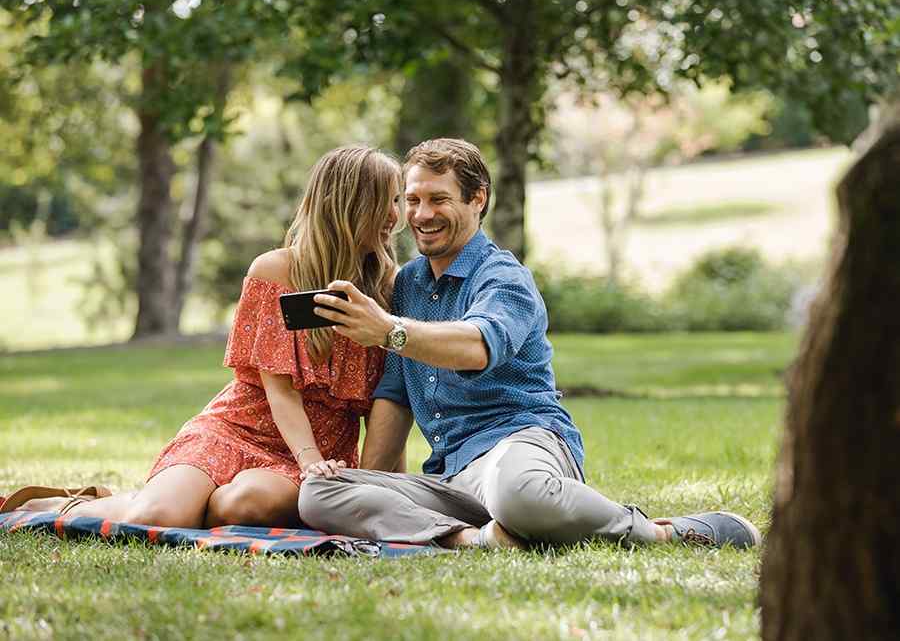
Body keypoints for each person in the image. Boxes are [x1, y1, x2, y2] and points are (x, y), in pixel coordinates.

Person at [299, 138, 761, 549]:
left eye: (439, 199)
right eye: (412, 200)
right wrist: (370, 483)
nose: (421, 215)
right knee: (318, 494)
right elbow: (395, 398)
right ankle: (472, 539)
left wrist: (389, 331)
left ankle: (664, 532)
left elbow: (476, 346)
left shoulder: (504, 278)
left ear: (477, 199)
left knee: (518, 494)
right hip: (450, 479)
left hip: (520, 446)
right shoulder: (409, 286)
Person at [1, 146, 403, 528]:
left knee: (244, 505)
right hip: (239, 429)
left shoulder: (391, 291)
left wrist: (381, 485)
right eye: (384, 201)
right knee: (157, 517)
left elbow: (391, 402)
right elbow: (280, 392)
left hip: (316, 457)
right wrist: (309, 458)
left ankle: (182, 501)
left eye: (398, 200)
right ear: (345, 204)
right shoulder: (275, 271)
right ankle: (75, 504)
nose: (395, 214)